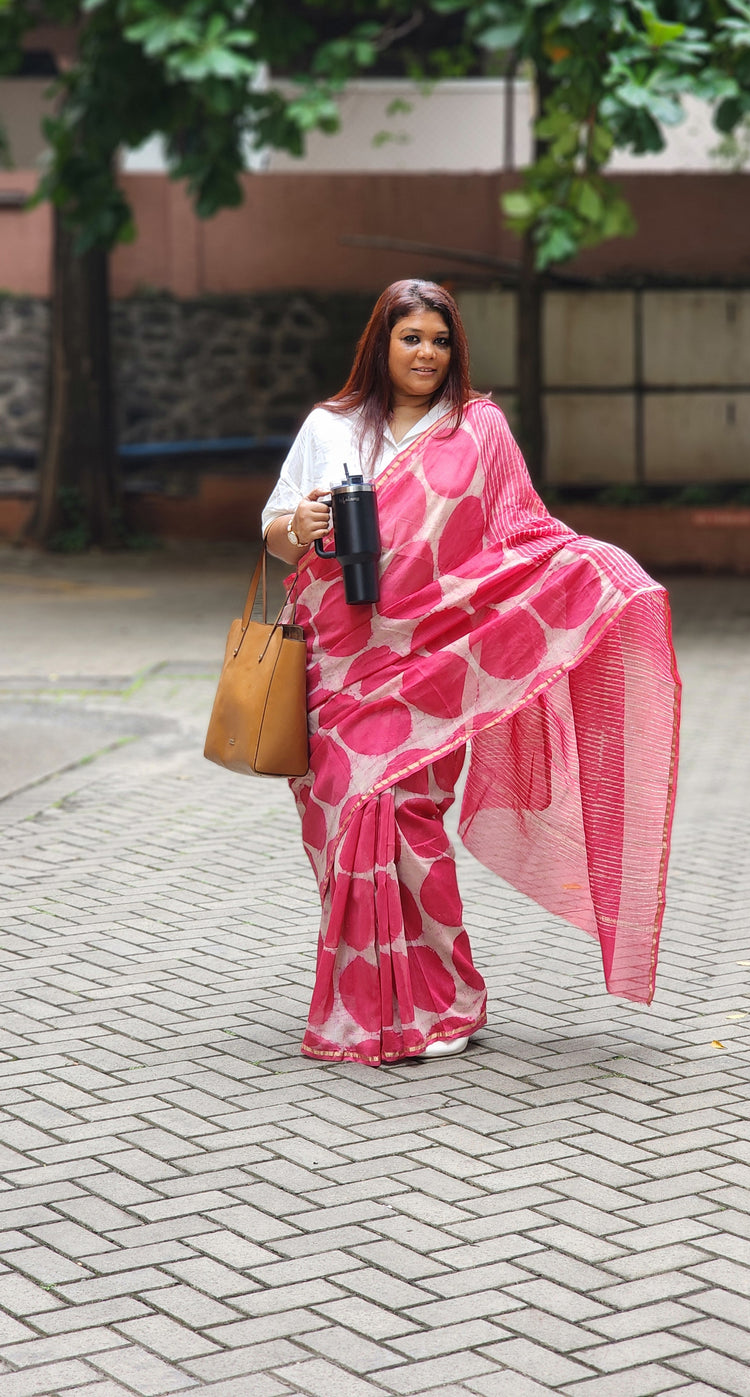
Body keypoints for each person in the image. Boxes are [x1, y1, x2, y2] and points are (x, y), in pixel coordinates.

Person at [262, 279, 681, 1067]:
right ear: (379, 344)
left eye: (440, 340)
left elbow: (521, 534)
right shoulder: (331, 427)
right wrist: (303, 523)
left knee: (408, 818)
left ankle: (445, 1000)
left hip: (435, 660)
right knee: (348, 816)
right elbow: (275, 534)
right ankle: (373, 1000)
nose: (426, 353)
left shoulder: (478, 429)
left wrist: (596, 570)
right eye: (411, 338)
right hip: (339, 660)